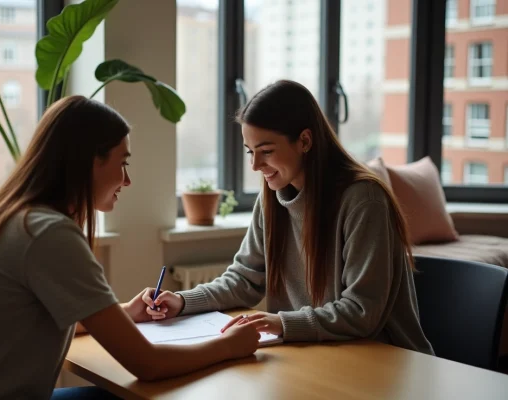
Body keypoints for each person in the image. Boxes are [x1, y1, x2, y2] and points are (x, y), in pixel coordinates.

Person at [0, 96, 261, 400]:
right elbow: (147, 364)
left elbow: (38, 316)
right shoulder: (47, 234)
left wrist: (128, 313)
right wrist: (229, 346)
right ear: (89, 162)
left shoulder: (10, 217)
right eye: (122, 163)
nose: (127, 180)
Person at [141, 80, 434, 355]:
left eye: (266, 151)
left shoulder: (364, 200)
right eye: (250, 152)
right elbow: (244, 279)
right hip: (317, 353)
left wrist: (280, 323)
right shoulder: (273, 196)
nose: (255, 165)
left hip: (383, 358)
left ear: (305, 141)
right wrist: (182, 301)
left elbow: (361, 312)